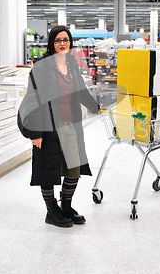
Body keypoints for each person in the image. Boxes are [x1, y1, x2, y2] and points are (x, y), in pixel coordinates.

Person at [17, 25, 99, 228]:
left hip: (71, 125)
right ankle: (51, 210)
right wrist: (35, 132)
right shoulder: (42, 68)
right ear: (51, 44)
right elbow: (32, 100)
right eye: (58, 40)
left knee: (74, 169)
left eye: (66, 40)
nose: (62, 43)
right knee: (48, 169)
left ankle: (66, 206)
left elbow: (80, 92)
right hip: (47, 127)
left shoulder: (72, 65)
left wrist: (96, 107)